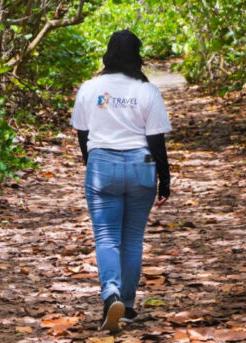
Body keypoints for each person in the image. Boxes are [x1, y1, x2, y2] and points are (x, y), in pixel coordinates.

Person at [70, 30, 172, 331]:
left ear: (108, 53)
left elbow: (82, 134)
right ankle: (126, 306)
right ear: (137, 56)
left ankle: (110, 294)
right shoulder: (147, 90)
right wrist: (164, 180)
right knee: (132, 239)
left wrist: (94, 165)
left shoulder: (90, 88)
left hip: (102, 162)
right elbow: (156, 142)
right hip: (141, 163)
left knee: (106, 237)